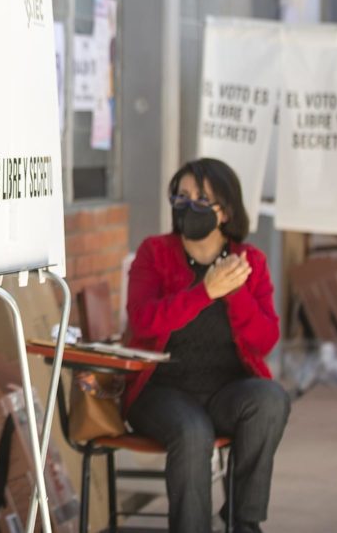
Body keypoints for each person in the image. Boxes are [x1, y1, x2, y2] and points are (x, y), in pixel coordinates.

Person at [124, 158, 289, 533]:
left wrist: (234, 293)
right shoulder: (154, 253)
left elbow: (264, 340)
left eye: (201, 199)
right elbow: (142, 320)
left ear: (226, 211)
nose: (188, 206)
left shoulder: (250, 262)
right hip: (160, 391)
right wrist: (204, 292)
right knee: (192, 432)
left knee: (271, 400)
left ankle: (242, 522)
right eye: (181, 196)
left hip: (224, 392)